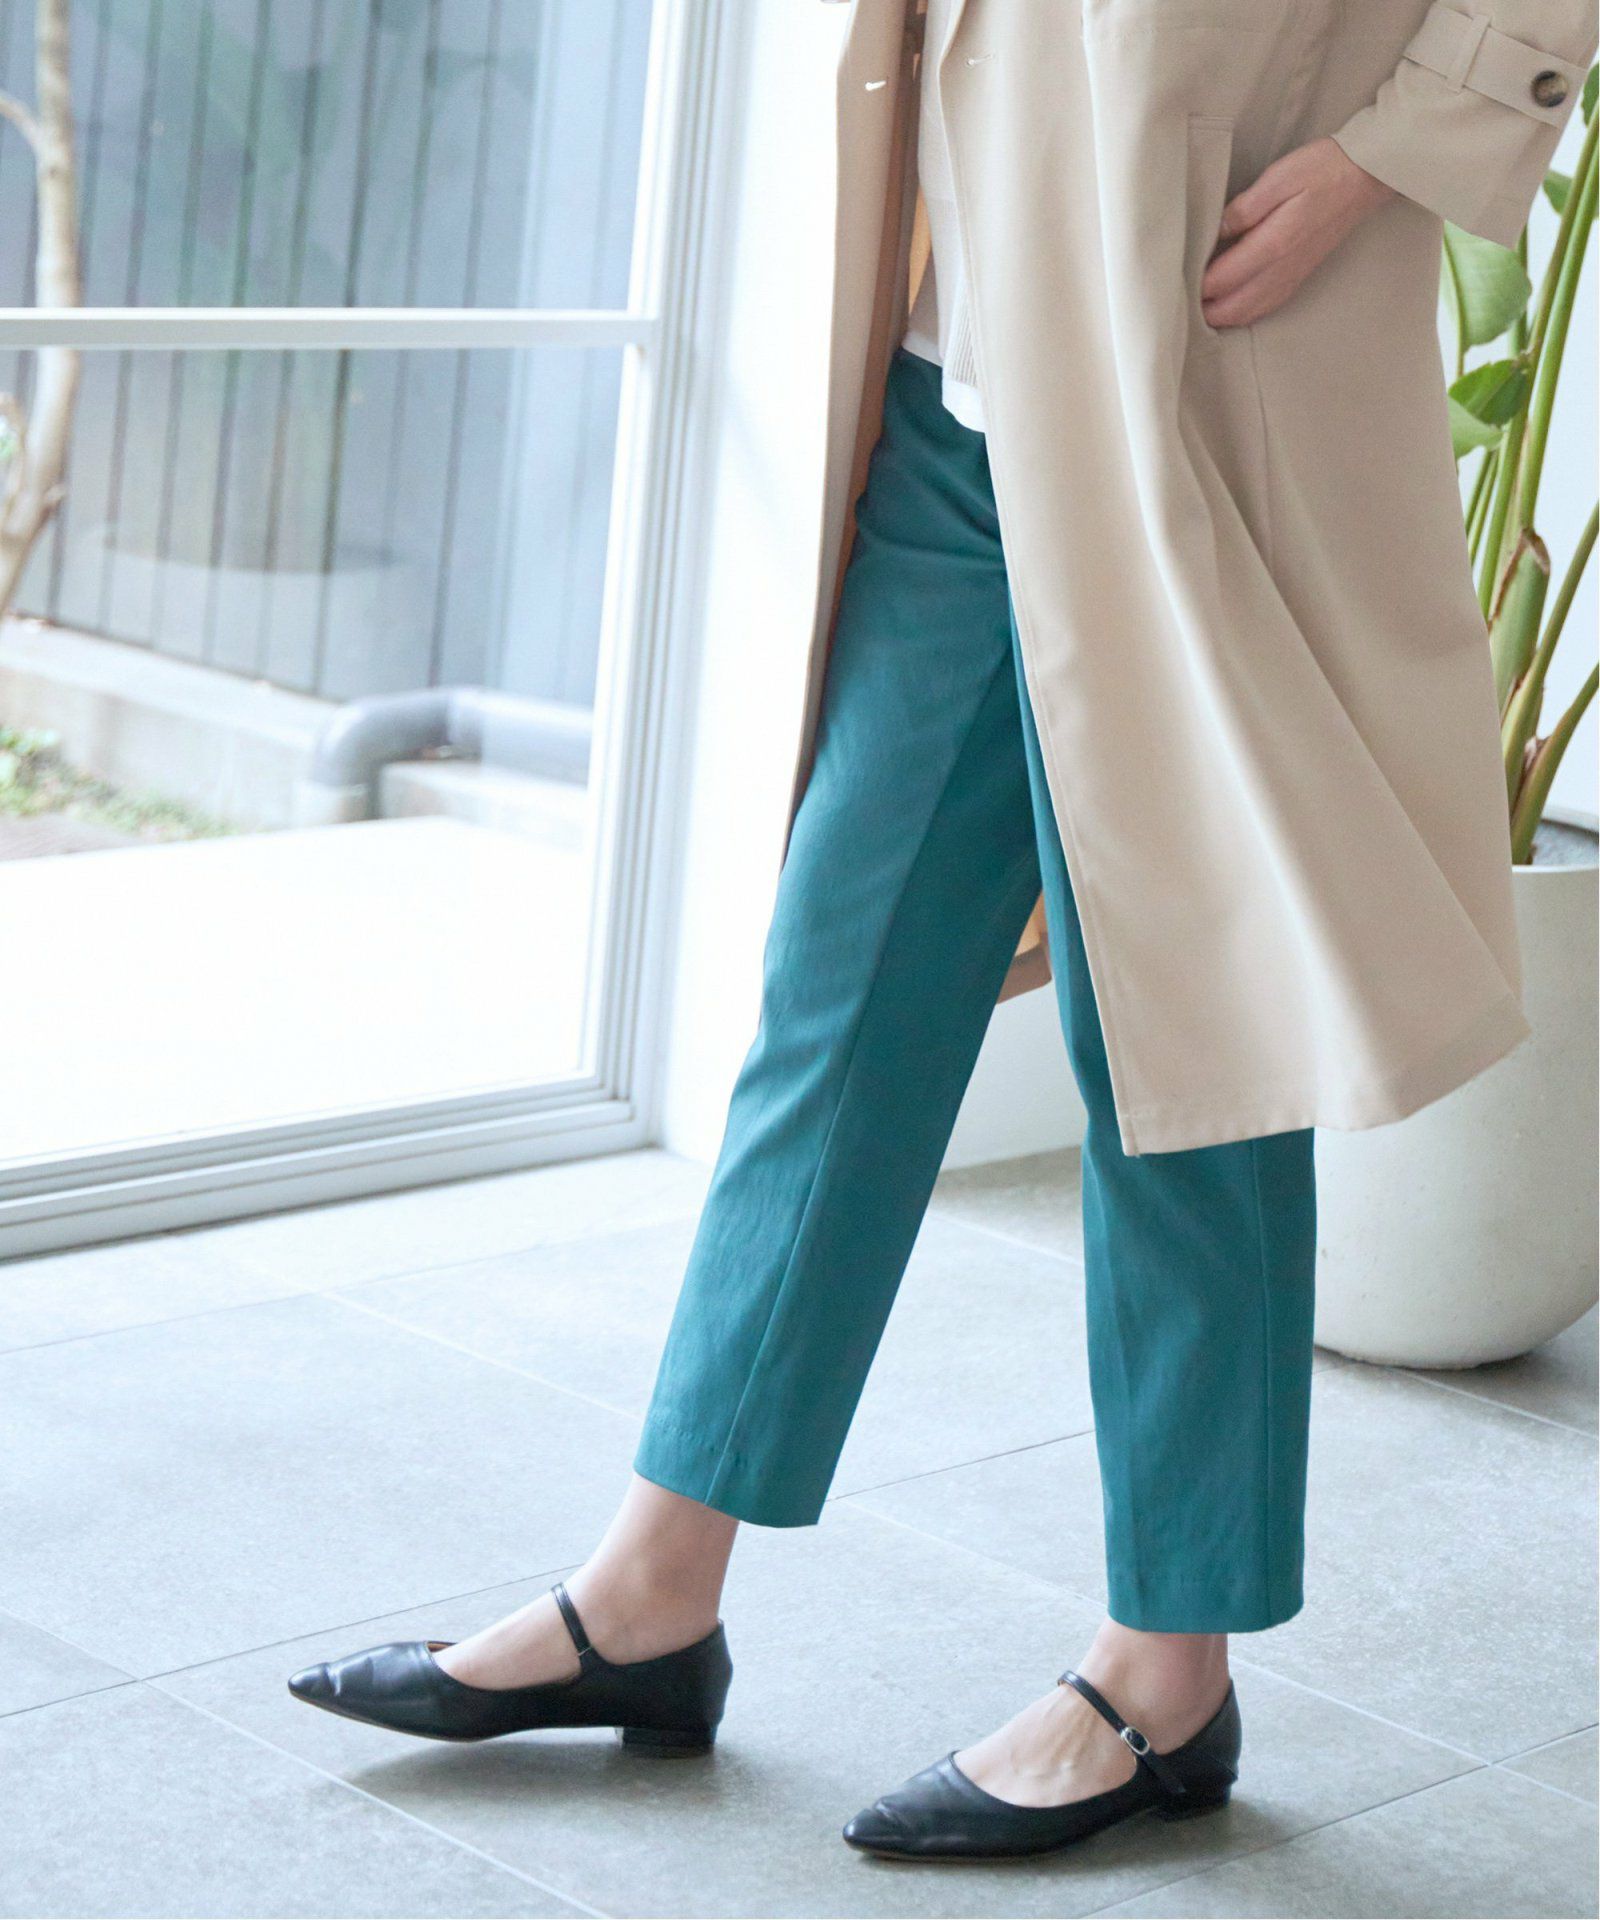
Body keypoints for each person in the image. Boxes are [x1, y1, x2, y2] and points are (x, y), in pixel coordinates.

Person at [287, 0, 1595, 1863]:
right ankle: (656, 1587)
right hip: (955, 371)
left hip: (1178, 371)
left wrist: (1393, 151)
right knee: (840, 992)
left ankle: (1169, 1668)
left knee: (1186, 1034)